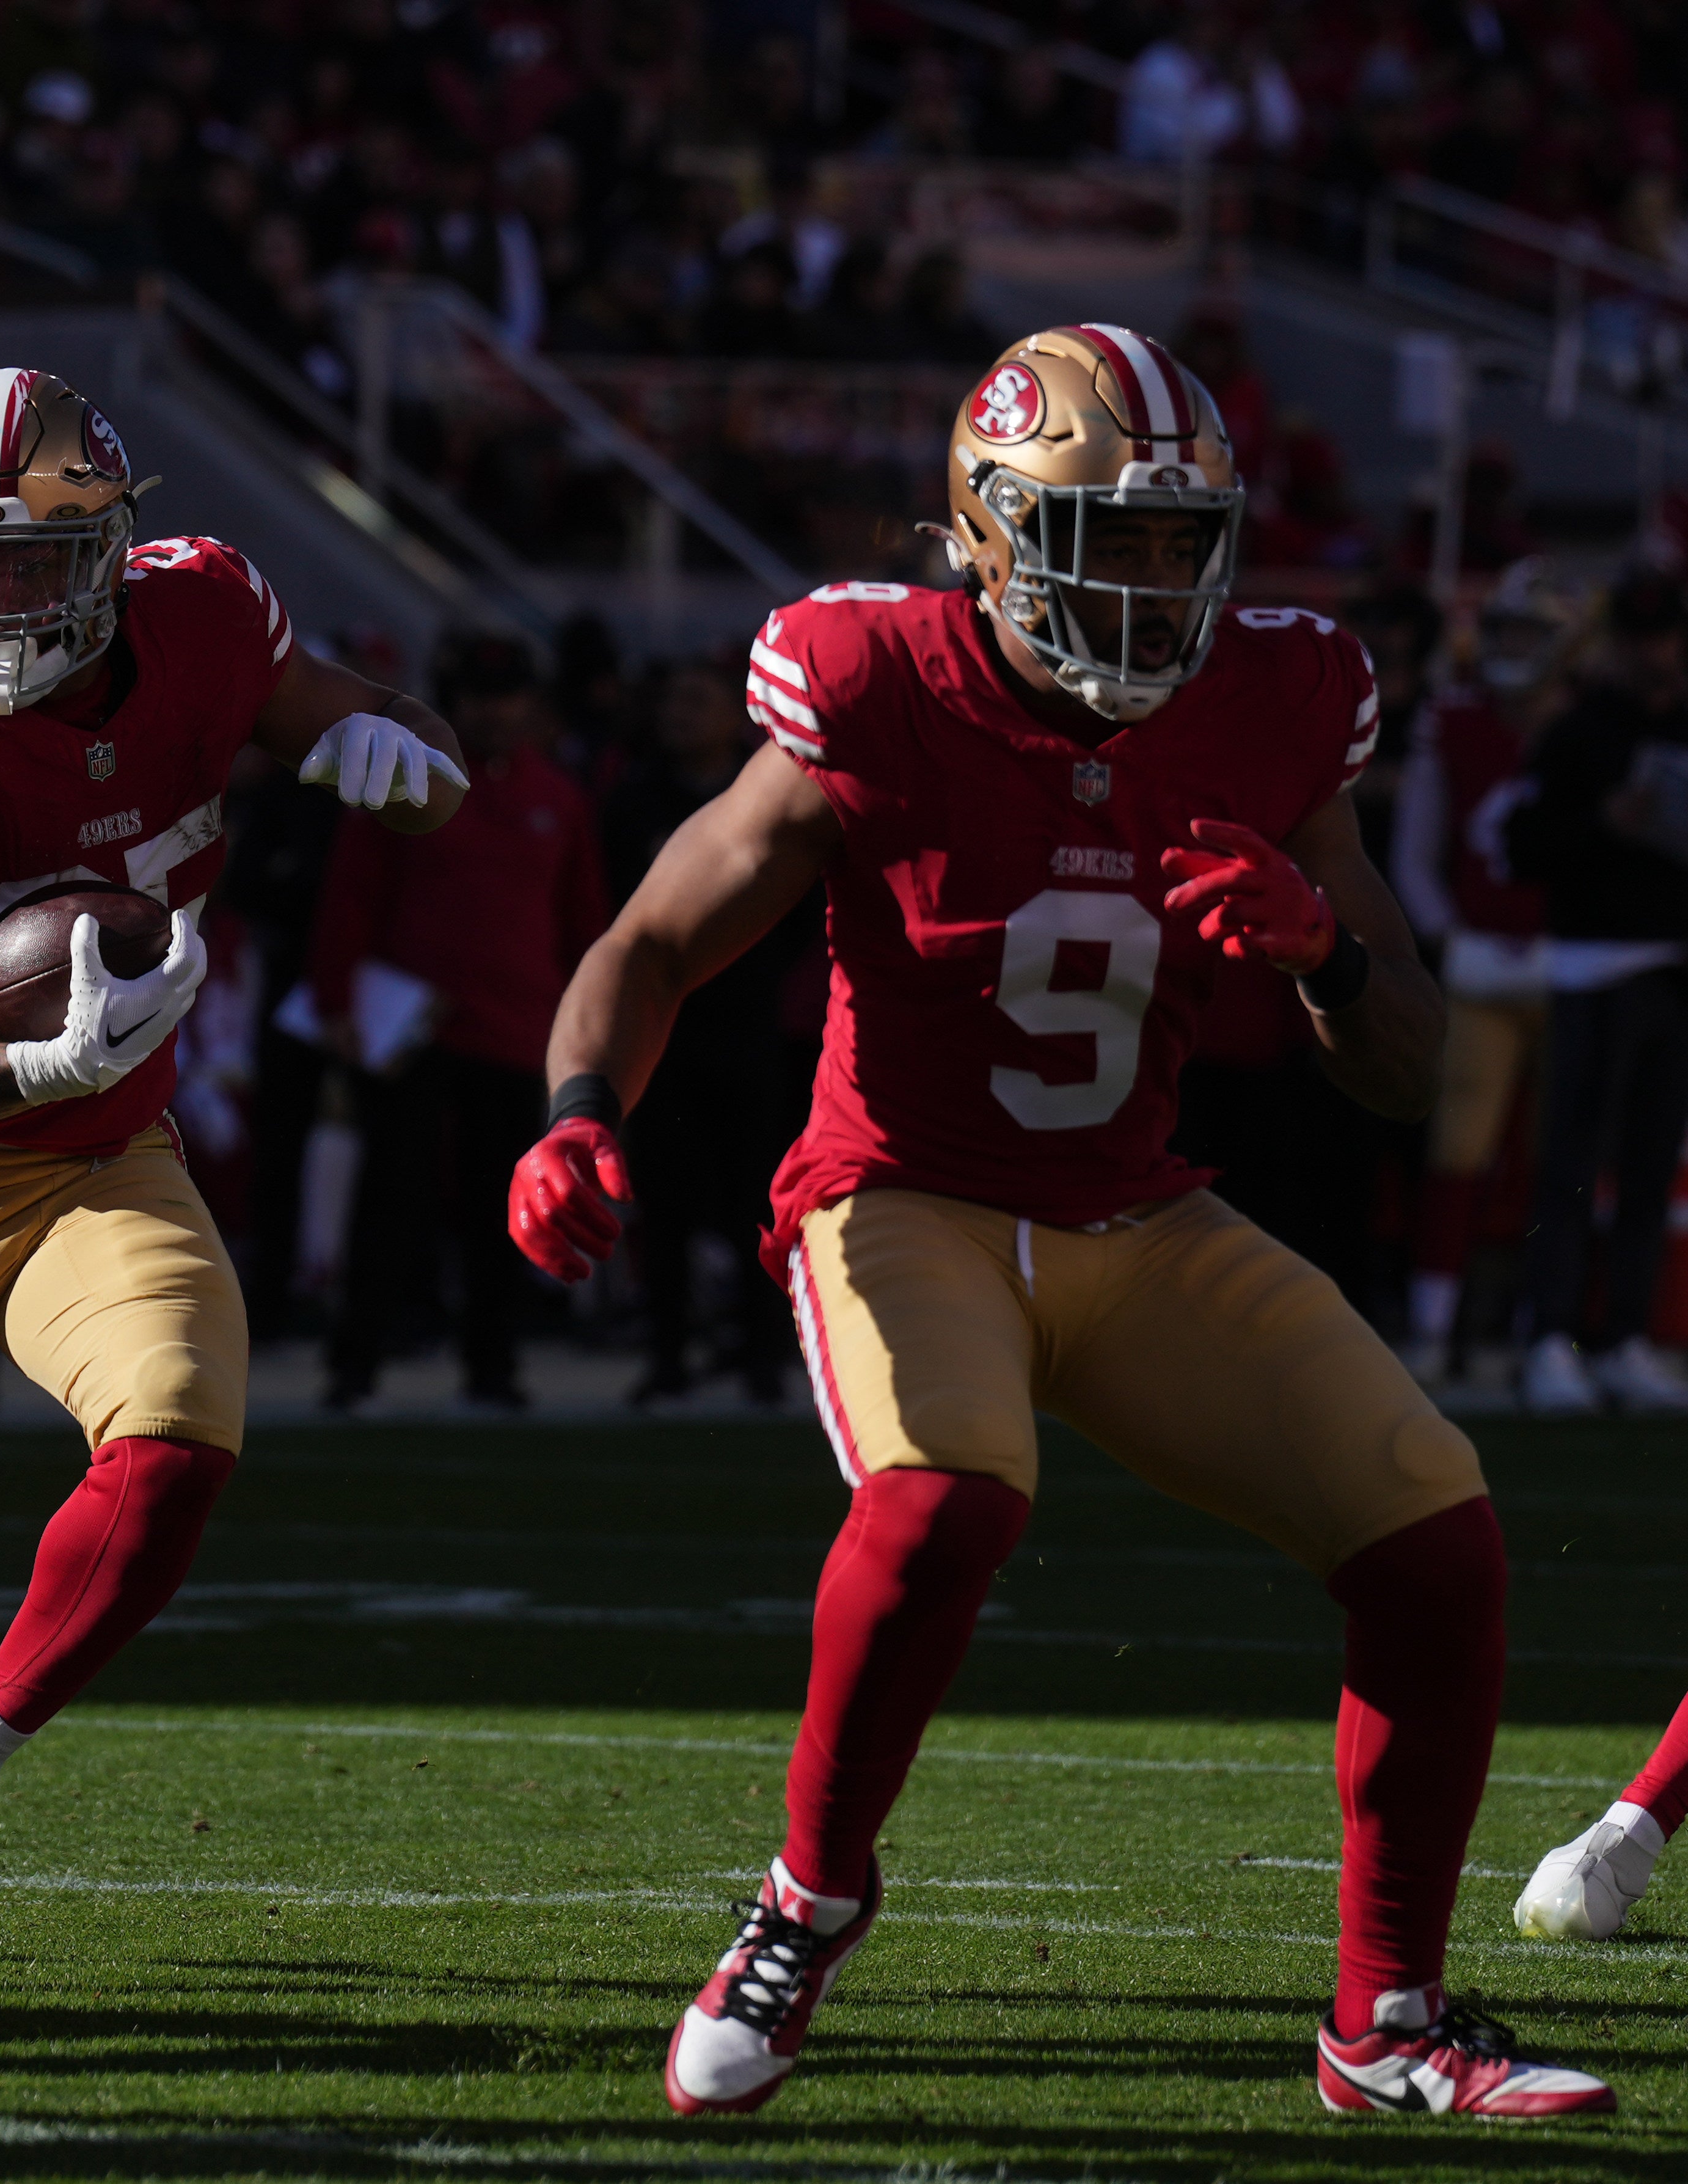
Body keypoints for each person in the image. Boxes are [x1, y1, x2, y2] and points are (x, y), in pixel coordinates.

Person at [508, 324, 1610, 2119]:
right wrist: (571, 1113)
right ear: (990, 530)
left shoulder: (1270, 699)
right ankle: (803, 1905)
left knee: (1433, 1534)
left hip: (1129, 1209)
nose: (1153, 581)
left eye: (1183, 540)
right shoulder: (870, 675)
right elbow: (651, 936)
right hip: (900, 1194)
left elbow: (1402, 1063)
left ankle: (1380, 2020)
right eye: (1110, 534)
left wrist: (1325, 953)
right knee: (943, 1492)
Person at [0, 368, 470, 1952]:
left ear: (113, 550)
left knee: (182, 1434)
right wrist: (30, 1058)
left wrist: (403, 757)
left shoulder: (205, 619)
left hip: (103, 1155)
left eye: (20, 559)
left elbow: (388, 744)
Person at [307, 630, 605, 1412]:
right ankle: (355, 1362)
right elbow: (352, 896)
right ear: (452, 700)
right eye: (479, 696)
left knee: (499, 1210)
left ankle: (494, 1364)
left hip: (516, 1031)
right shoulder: (405, 778)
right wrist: (336, 1003)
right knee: (389, 1202)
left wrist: (590, 1024)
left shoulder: (558, 798)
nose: (494, 712)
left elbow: (583, 922)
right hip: (413, 1035)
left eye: (507, 697)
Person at [599, 656, 813, 1404]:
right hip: (665, 1030)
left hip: (749, 1028)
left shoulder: (774, 792)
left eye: (696, 695)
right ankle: (667, 1354)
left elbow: (795, 914)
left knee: (758, 1198)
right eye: (671, 696)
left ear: (737, 711)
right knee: (663, 1203)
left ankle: (762, 1353)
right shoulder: (632, 799)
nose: (678, 711)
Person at [1501, 572, 1688, 1414]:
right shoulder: (1576, 730)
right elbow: (1521, 841)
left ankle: (1621, 1337)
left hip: (1670, 966)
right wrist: (1603, 823)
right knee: (1573, 1166)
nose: (1652, 653)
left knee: (1647, 1166)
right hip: (1596, 965)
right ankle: (1550, 1336)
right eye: (1639, 637)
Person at [1390, 563, 1571, 1386]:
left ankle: (1541, 1328)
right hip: (1481, 968)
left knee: (1556, 1158)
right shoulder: (1454, 720)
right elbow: (1417, 855)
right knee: (1455, 1151)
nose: (1510, 649)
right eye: (1502, 632)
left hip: (1573, 966)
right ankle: (1434, 1323)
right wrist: (1448, 933)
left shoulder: (1589, 724)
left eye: (1529, 635)